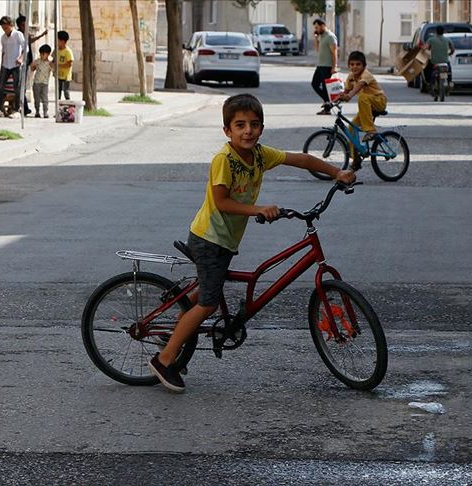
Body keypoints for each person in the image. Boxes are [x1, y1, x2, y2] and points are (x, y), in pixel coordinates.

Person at [147, 94, 356, 393]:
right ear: (227, 131)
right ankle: (164, 360)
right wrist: (258, 209)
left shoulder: (259, 155)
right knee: (208, 303)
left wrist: (338, 172)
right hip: (208, 238)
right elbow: (221, 202)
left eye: (254, 125)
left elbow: (301, 159)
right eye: (240, 125)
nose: (248, 131)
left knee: (210, 289)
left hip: (225, 240)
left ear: (262, 128)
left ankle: (175, 333)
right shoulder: (224, 160)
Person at [339, 51, 387, 171]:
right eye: (352, 64)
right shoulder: (350, 77)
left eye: (358, 64)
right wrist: (332, 102)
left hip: (379, 102)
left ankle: (371, 130)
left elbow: (359, 86)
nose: (354, 67)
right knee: (351, 128)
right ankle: (356, 159)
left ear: (364, 66)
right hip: (367, 107)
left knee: (363, 96)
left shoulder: (366, 75)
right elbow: (345, 92)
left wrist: (349, 96)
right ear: (349, 65)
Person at [16, 14, 48, 115]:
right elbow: (29, 41)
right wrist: (41, 35)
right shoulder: (19, 34)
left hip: (27, 62)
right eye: (24, 24)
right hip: (22, 63)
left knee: (24, 86)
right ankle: (24, 107)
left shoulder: (25, 33)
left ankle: (25, 107)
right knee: (22, 86)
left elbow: (30, 41)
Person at [0, 16, 25, 115]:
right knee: (0, 87)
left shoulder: (18, 35)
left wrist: (21, 58)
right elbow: (3, 52)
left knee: (17, 87)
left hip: (15, 65)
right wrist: (1, 66)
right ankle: (0, 108)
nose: (4, 29)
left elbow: (26, 48)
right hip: (5, 64)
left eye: (6, 27)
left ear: (11, 25)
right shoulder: (3, 37)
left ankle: (16, 109)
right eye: (3, 27)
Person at [311, 18, 338, 115]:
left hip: (327, 66)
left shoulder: (330, 37)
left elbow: (334, 52)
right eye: (315, 28)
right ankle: (328, 101)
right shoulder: (321, 36)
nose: (316, 30)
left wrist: (334, 66)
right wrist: (315, 38)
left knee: (325, 87)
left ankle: (327, 107)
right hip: (320, 65)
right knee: (314, 84)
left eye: (317, 27)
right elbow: (316, 49)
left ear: (323, 25)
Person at [30, 44, 53, 118]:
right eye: (41, 53)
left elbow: (54, 70)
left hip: (45, 84)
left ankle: (45, 112)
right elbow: (32, 68)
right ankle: (37, 111)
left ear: (48, 54)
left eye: (44, 54)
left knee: (45, 99)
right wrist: (33, 65)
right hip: (37, 83)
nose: (42, 55)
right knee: (36, 99)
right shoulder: (38, 61)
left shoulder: (49, 63)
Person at [56, 30, 74, 100]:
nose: (56, 42)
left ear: (62, 41)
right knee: (58, 91)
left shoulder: (67, 51)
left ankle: (68, 104)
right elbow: (53, 58)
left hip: (66, 76)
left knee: (66, 91)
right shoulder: (57, 50)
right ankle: (58, 104)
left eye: (57, 40)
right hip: (59, 74)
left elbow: (70, 63)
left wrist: (59, 66)